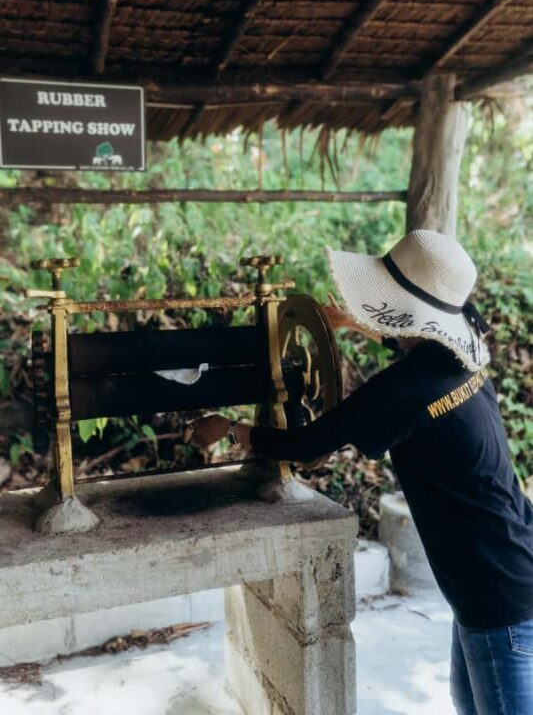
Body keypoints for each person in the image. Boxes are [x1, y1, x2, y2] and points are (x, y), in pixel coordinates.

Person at [191, 229, 533, 714]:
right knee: (469, 703)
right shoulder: (467, 346)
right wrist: (356, 326)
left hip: (497, 598)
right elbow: (421, 350)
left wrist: (232, 428)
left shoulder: (401, 391)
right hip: (508, 565)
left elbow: (308, 446)